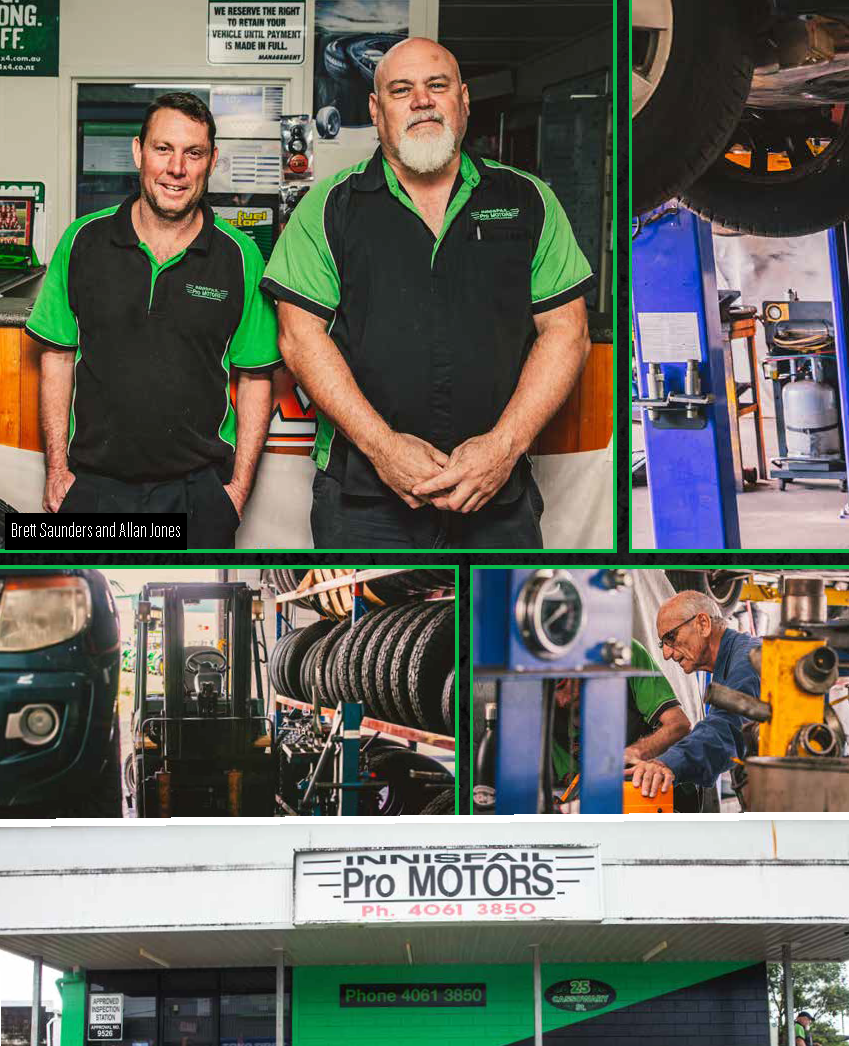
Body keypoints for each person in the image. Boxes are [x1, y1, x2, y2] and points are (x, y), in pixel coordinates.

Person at [262, 37, 594, 548]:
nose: (421, 100)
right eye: (401, 90)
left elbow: (567, 331)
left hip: (497, 495)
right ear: (376, 110)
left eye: (436, 86)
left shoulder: (528, 201)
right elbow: (299, 337)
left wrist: (503, 447)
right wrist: (383, 448)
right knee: (367, 631)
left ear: (462, 100)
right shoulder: (328, 208)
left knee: (495, 626)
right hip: (363, 500)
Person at [25, 92, 279, 547]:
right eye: (163, 149)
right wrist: (57, 471)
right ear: (139, 152)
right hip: (93, 489)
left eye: (193, 153)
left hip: (197, 495)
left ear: (212, 160)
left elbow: (257, 377)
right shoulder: (82, 242)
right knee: (81, 601)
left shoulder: (239, 257)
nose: (176, 168)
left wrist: (236, 492)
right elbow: (58, 359)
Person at [628, 591, 760, 804]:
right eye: (663, 644)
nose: (667, 654)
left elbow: (727, 728)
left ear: (703, 624)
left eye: (671, 638)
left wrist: (667, 764)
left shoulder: (749, 660)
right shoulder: (729, 667)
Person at [547, 640, 693, 812]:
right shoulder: (540, 703)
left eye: (563, 684)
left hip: (656, 792)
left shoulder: (624, 656)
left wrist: (633, 752)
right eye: (551, 690)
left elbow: (678, 725)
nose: (562, 701)